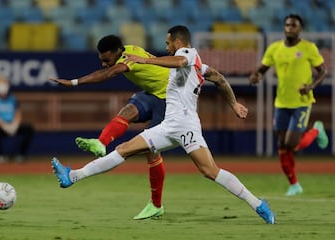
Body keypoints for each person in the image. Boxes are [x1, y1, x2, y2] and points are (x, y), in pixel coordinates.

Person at [52, 25, 276, 224]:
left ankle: (257, 204)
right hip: (170, 126)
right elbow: (219, 78)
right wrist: (234, 104)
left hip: (186, 126)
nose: (166, 46)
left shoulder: (186, 54)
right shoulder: (201, 66)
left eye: (168, 42)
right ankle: (73, 177)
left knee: (210, 171)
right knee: (124, 149)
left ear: (178, 42)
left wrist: (145, 60)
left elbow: (179, 61)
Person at [50, 35, 169, 220]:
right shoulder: (127, 49)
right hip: (153, 93)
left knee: (152, 152)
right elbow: (110, 69)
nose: (105, 64)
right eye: (102, 60)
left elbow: (109, 74)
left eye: (107, 60)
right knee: (128, 111)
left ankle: (156, 205)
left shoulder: (128, 59)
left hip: (169, 100)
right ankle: (101, 143)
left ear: (117, 52)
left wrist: (74, 82)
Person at [249, 14, 328, 196]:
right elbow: (262, 69)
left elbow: (323, 71)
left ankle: (316, 129)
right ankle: (294, 185)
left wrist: (311, 86)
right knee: (282, 146)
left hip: (301, 102)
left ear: (300, 28)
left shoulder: (309, 48)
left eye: (293, 25)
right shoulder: (274, 48)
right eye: (287, 25)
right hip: (281, 103)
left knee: (291, 144)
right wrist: (256, 76)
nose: (289, 28)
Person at [0, 76, 34, 163]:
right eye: (0, 84)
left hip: (12, 125)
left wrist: (15, 125)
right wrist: (4, 125)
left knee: (28, 128)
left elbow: (18, 114)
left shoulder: (12, 99)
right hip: (0, 126)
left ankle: (21, 155)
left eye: (4, 84)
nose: (2, 87)